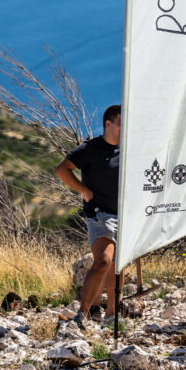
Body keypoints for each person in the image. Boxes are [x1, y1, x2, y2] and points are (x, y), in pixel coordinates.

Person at [54, 105, 125, 328]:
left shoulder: (127, 148)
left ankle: (112, 317)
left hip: (124, 215)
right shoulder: (91, 148)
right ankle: (81, 316)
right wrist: (84, 191)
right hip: (99, 214)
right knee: (103, 260)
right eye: (121, 123)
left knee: (118, 265)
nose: (125, 127)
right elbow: (61, 169)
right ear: (108, 124)